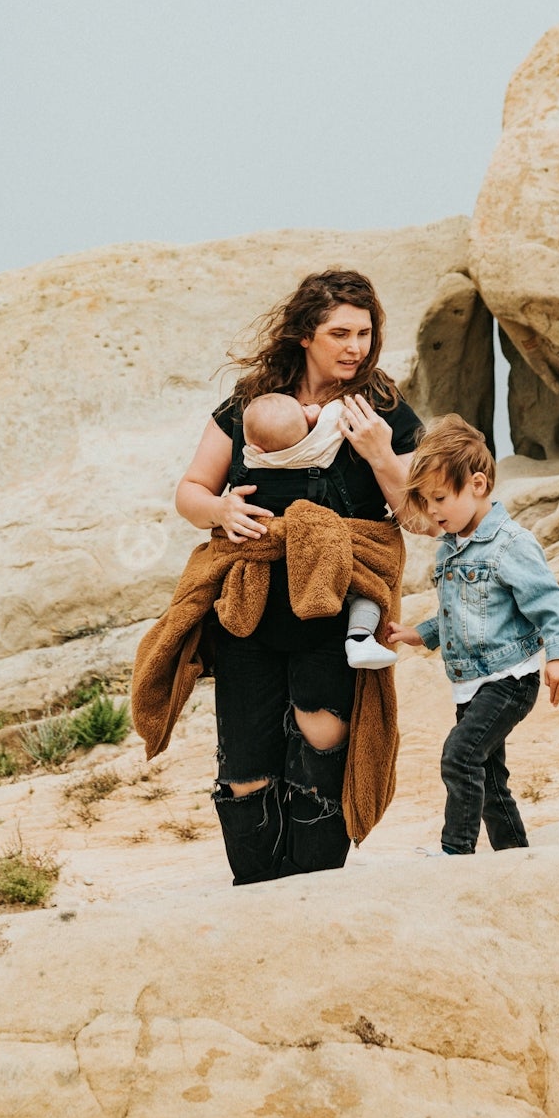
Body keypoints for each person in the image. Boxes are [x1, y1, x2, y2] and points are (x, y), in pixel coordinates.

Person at [131, 269, 422, 885]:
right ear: (303, 335)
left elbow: (420, 515)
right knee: (244, 761)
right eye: (339, 333)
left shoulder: (383, 408)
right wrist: (221, 510)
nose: (355, 347)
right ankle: (254, 891)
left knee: (323, 732)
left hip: (333, 601)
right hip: (249, 599)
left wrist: (378, 453)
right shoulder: (247, 404)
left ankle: (310, 886)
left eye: (365, 333)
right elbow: (190, 492)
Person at [388, 413, 559, 856]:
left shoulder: (511, 543)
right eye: (425, 502)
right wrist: (421, 633)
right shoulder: (452, 548)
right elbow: (463, 613)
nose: (432, 512)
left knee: (460, 756)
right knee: (489, 777)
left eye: (438, 498)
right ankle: (514, 853)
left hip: (510, 680)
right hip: (470, 684)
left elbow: (548, 601)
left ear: (476, 484)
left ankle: (456, 852)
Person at [241, 392, 397, 669]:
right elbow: (339, 415)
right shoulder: (318, 447)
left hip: (282, 574)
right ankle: (360, 639)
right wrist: (316, 413)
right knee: (368, 590)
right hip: (326, 552)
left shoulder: (253, 461)